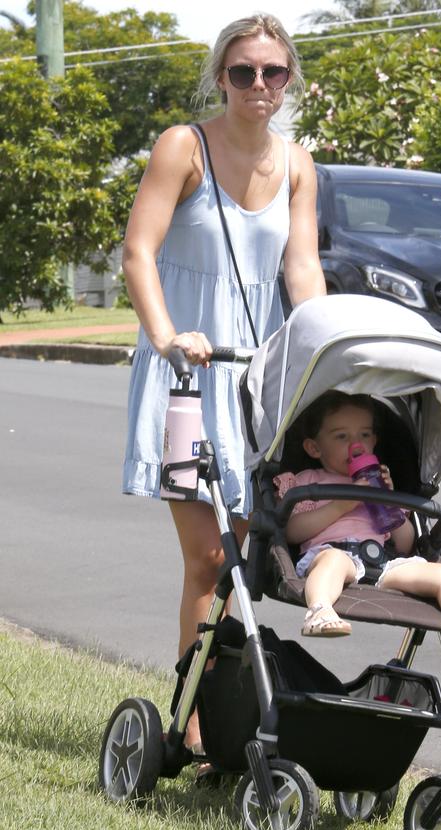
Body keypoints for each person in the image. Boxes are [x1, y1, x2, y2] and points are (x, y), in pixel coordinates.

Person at [121, 13, 326, 764]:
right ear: (221, 76)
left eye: (273, 72)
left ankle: (221, 710)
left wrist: (324, 344)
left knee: (237, 565)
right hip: (185, 374)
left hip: (255, 380)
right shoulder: (185, 147)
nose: (259, 86)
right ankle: (194, 722)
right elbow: (139, 251)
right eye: (244, 72)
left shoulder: (298, 165)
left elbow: (300, 271)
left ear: (289, 78)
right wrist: (168, 333)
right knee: (207, 559)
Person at [274, 392, 441, 671]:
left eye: (365, 435)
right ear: (314, 448)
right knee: (332, 562)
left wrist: (388, 505)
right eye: (341, 437)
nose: (356, 445)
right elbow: (293, 532)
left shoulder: (380, 481)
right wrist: (341, 506)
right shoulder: (308, 480)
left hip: (383, 561)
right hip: (334, 552)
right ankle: (319, 610)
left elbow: (404, 545)